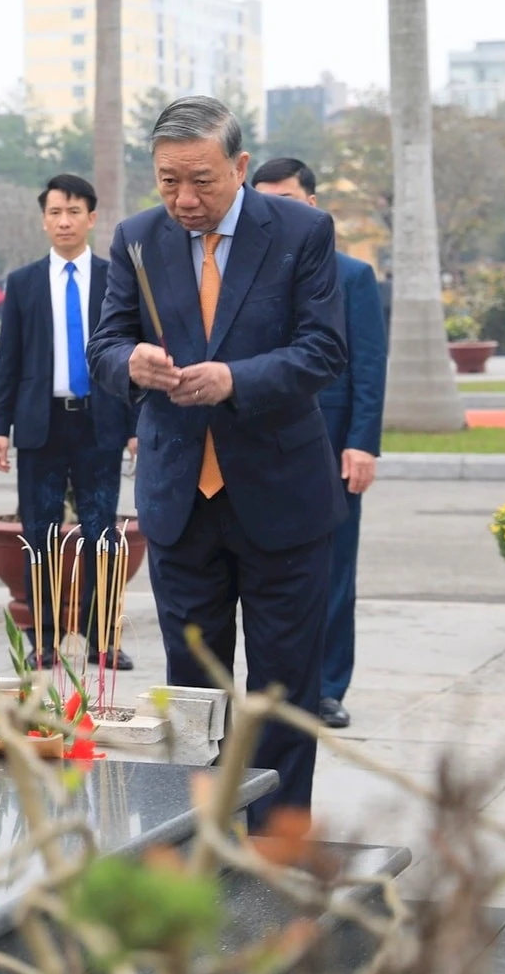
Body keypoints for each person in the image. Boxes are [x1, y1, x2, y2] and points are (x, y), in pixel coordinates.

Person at [87, 97, 348, 828]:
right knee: (193, 692)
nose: (184, 200)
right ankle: (196, 838)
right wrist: (129, 361)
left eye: (201, 181)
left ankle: (277, 847)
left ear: (239, 166)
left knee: (283, 691)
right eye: (168, 182)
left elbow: (324, 350)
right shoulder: (138, 239)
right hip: (179, 502)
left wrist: (237, 379)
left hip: (280, 499)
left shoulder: (301, 232)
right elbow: (103, 345)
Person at [249, 158, 386, 730]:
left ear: (312, 204)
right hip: (257, 447)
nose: (275, 211)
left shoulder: (351, 275)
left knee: (334, 569)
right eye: (264, 201)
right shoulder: (248, 271)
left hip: (331, 445)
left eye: (286, 199)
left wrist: (362, 442)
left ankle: (326, 687)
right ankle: (274, 685)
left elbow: (368, 366)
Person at [0, 174, 136, 670]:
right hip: (40, 425)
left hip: (100, 423)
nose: (64, 221)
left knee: (101, 533)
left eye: (74, 211)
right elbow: (8, 360)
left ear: (92, 218)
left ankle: (101, 639)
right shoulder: (25, 282)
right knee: (41, 533)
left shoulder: (116, 277)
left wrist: (135, 424)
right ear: (44, 219)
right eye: (55, 212)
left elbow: (131, 353)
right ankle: (44, 641)